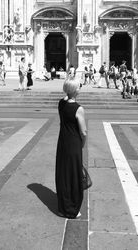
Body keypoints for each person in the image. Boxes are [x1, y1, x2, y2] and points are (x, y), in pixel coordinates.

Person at [56, 78, 87, 219]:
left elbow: (64, 98)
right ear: (75, 90)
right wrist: (83, 143)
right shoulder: (78, 109)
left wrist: (68, 89)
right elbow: (83, 132)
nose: (80, 89)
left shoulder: (61, 104)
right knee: (74, 175)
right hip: (74, 143)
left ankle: (62, 206)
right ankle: (71, 209)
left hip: (62, 142)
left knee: (63, 174)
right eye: (78, 87)